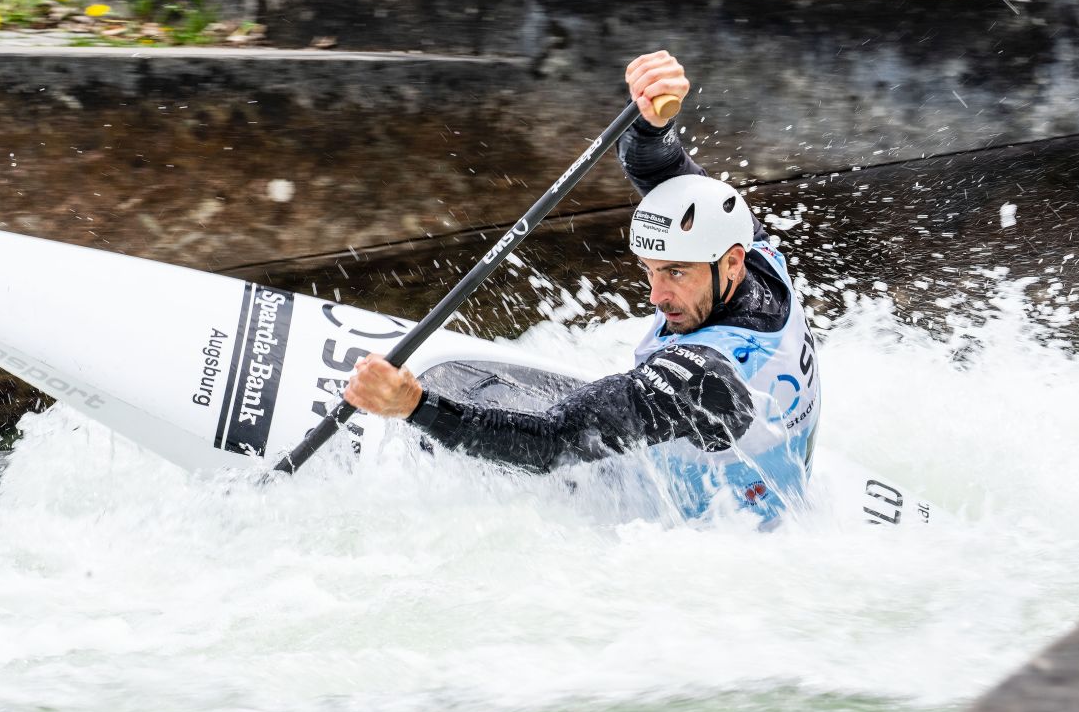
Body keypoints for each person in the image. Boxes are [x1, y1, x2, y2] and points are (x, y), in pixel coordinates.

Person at [345, 52, 820, 525]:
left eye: (675, 272)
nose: (656, 296)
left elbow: (549, 444)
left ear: (730, 262)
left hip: (701, 535)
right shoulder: (753, 256)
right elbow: (658, 169)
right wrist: (652, 122)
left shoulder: (705, 376)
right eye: (650, 270)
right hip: (756, 490)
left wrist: (413, 406)